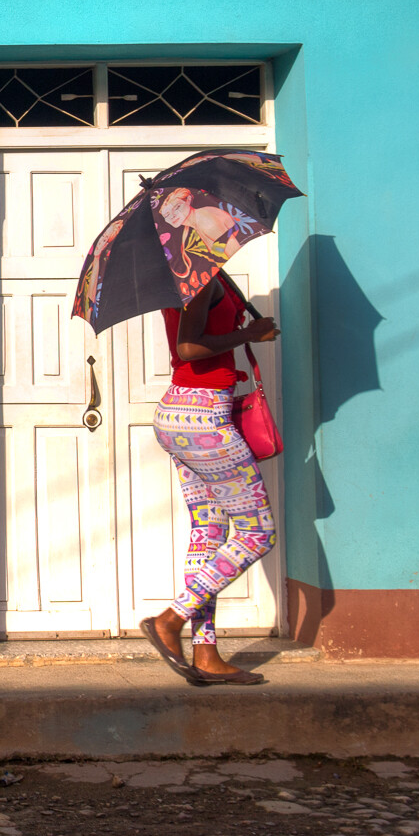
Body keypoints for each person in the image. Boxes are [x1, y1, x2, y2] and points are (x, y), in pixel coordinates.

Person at [139, 271, 279, 686]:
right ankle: (170, 619)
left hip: (178, 413)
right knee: (258, 533)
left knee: (210, 529)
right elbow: (188, 347)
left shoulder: (185, 276)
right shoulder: (198, 279)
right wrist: (249, 334)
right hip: (203, 418)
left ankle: (206, 655)